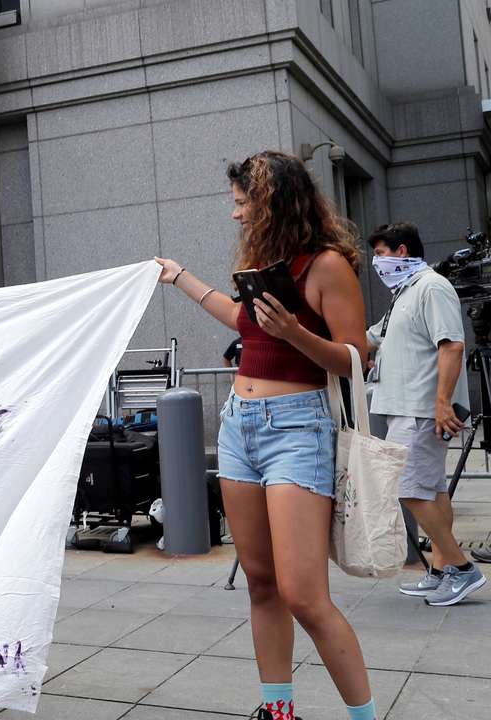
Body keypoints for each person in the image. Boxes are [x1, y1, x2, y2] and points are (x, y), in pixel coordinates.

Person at [155, 150, 377, 720]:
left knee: (304, 593)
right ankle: (278, 711)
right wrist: (180, 278)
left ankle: (363, 716)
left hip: (298, 429)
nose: (236, 217)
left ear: (273, 201)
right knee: (261, 583)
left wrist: (296, 333)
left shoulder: (326, 265)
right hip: (240, 426)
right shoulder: (265, 262)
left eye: (242, 204)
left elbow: (357, 359)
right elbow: (241, 321)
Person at [365, 222, 483, 605]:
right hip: (410, 408)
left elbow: (451, 346)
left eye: (381, 253)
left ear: (401, 252)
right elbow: (370, 337)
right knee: (431, 489)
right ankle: (441, 567)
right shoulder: (406, 292)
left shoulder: (431, 287)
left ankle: (463, 570)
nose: (376, 262)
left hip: (419, 408)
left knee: (407, 489)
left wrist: (442, 402)